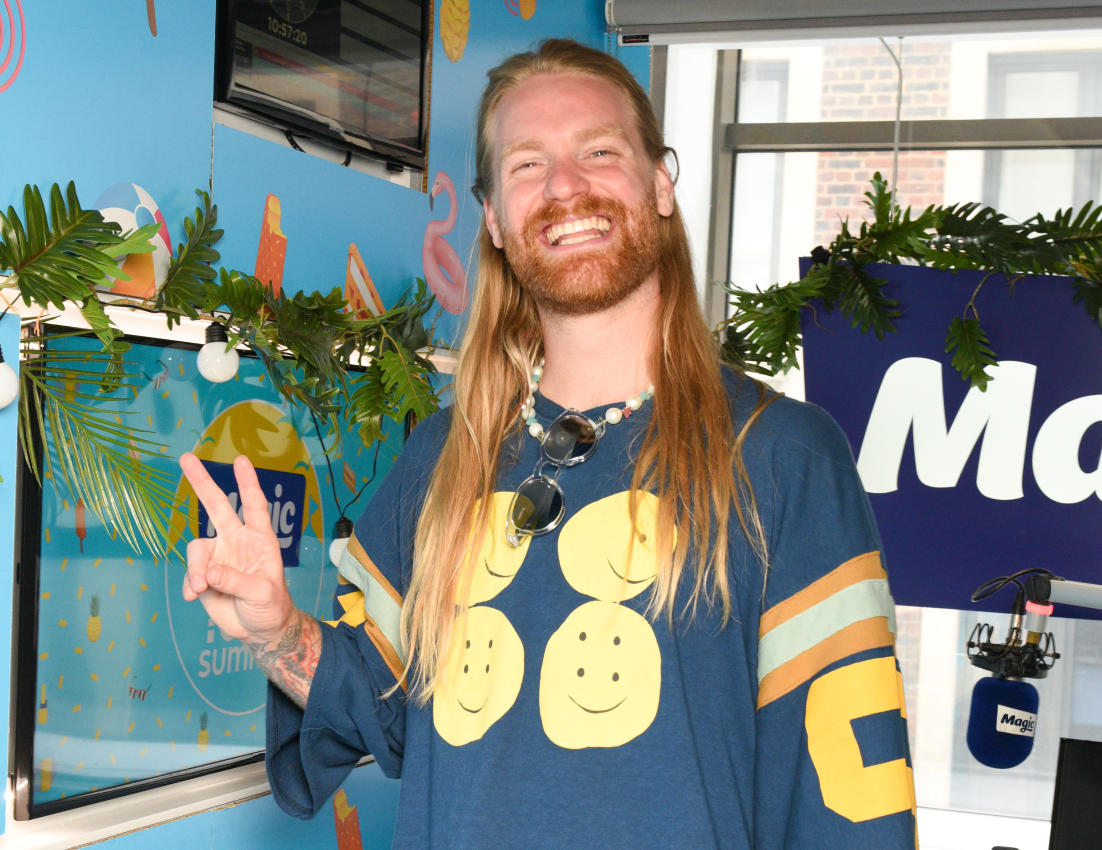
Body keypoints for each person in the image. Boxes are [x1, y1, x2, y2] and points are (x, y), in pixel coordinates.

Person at [179, 38, 918, 848]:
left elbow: (849, 803)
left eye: (599, 151)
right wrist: (274, 629)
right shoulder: (440, 461)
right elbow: (385, 720)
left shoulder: (780, 457)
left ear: (661, 185)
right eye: (528, 165)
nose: (566, 187)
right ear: (494, 219)